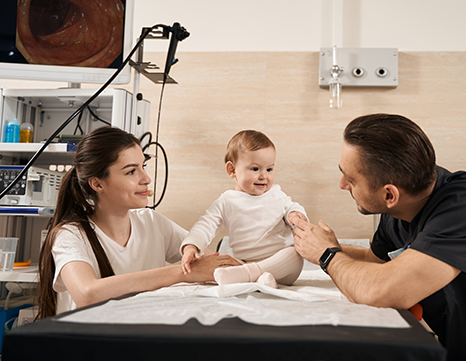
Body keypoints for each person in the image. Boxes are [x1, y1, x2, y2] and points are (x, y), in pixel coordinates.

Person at [293, 114, 466, 361]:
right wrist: (318, 243)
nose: (342, 185)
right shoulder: (400, 208)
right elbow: (375, 260)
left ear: (389, 194)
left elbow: (382, 290)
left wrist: (327, 255)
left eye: (350, 179)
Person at [37, 126, 239, 319]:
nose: (146, 179)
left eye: (143, 166)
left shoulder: (151, 222)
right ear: (97, 183)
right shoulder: (70, 235)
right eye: (131, 171)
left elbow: (214, 265)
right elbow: (87, 294)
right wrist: (182, 273)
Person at [180, 130, 307, 287]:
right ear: (232, 170)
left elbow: (292, 206)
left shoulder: (276, 194)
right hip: (243, 262)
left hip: (282, 266)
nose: (264, 176)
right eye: (255, 169)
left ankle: (249, 275)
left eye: (269, 169)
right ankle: (260, 279)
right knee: (225, 262)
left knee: (295, 253)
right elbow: (206, 224)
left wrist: (295, 214)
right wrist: (191, 246)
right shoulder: (226, 202)